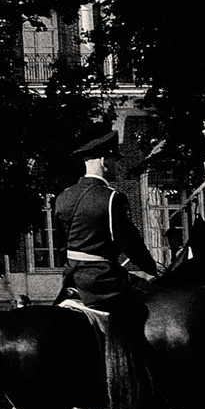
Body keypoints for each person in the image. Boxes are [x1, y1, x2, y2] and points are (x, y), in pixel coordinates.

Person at [53, 131, 158, 313]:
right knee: (158, 300)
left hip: (71, 279)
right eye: (115, 160)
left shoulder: (64, 196)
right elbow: (130, 244)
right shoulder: (111, 198)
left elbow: (61, 245)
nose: (118, 165)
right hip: (103, 282)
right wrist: (153, 269)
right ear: (104, 161)